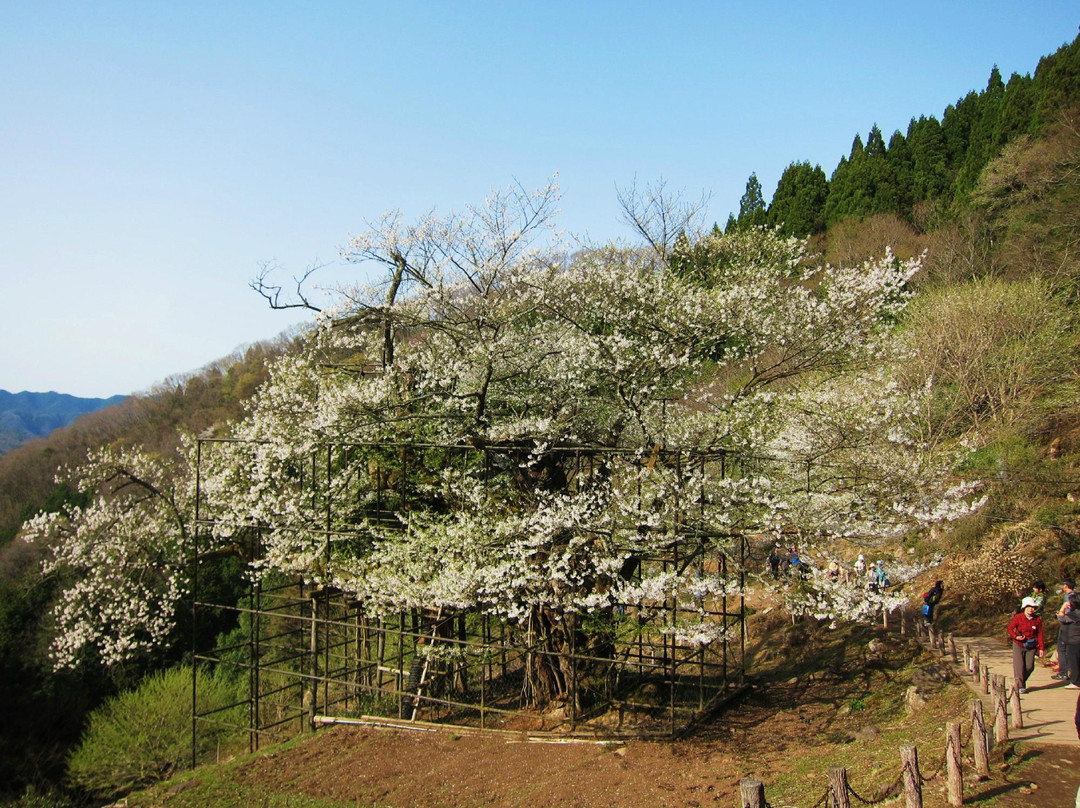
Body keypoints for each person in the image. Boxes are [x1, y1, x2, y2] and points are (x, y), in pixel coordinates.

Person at [1007, 596, 1045, 693]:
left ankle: (1021, 681)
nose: (1030, 609)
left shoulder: (1037, 620)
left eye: (1033, 607)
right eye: (1028, 607)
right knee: (1019, 666)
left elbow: (1040, 634)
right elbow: (1010, 629)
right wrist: (1016, 636)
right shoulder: (1018, 617)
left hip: (1031, 645)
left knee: (1029, 667)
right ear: (1024, 608)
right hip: (1018, 644)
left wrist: (1041, 648)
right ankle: (1020, 686)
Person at [1056, 579, 1080, 690]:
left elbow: (1062, 619)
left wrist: (1062, 609)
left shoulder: (1074, 614)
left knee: (1073, 660)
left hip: (1074, 639)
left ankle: (1075, 681)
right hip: (1075, 638)